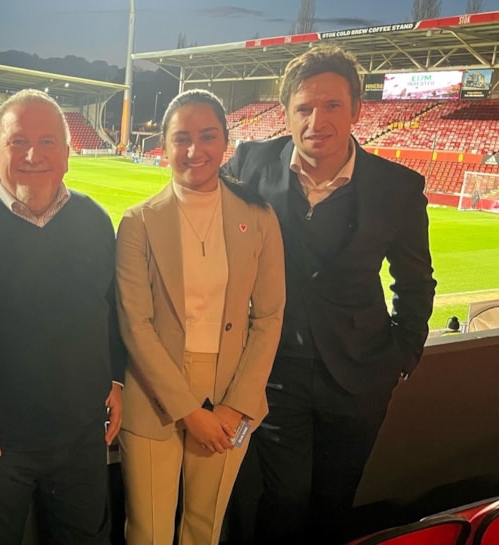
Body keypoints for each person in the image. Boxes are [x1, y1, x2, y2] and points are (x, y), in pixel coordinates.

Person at [224, 44, 437, 544]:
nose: (317, 119)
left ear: (358, 110)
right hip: (274, 372)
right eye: (304, 107)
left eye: (332, 105)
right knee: (283, 498)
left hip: (362, 377)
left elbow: (415, 281)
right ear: (286, 112)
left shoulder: (398, 187)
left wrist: (402, 357)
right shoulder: (250, 163)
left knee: (333, 502)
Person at [0, 89, 127, 545]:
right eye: (18, 141)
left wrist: (117, 379)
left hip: (81, 434)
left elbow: (109, 308)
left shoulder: (94, 219)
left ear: (68, 153)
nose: (33, 154)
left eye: (48, 142)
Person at [115, 89, 285, 545]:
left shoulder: (259, 216)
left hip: (236, 394)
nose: (195, 151)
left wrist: (234, 406)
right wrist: (191, 412)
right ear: (165, 145)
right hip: (155, 394)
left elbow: (269, 317)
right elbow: (136, 324)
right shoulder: (138, 222)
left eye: (207, 136)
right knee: (148, 532)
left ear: (225, 141)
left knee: (205, 529)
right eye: (181, 138)